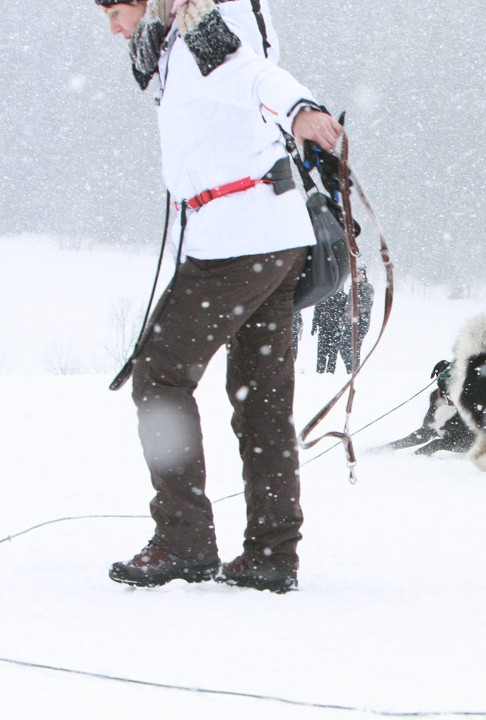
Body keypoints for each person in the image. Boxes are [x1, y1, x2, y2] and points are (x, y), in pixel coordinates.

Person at [98, 0, 343, 593]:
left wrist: (301, 108)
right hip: (272, 236)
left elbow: (255, 74)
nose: (111, 24)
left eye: (116, 7)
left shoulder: (210, 33)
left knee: (159, 375)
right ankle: (271, 552)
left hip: (238, 239)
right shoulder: (178, 45)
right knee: (260, 402)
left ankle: (184, 539)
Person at [311, 262, 374, 374]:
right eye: (354, 273)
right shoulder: (352, 288)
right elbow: (347, 307)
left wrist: (356, 305)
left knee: (353, 348)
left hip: (360, 323)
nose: (355, 275)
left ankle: (353, 372)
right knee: (345, 347)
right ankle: (351, 371)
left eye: (358, 273)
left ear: (363, 274)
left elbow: (366, 306)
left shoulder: (366, 287)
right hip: (350, 322)